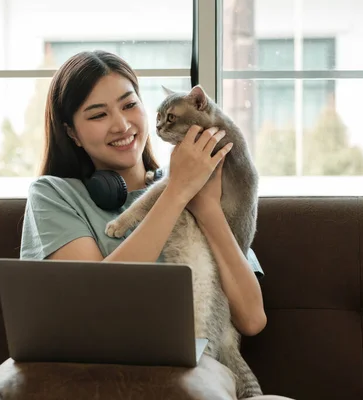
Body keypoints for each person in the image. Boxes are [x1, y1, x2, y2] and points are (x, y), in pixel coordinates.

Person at [17, 50, 288, 399]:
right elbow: (96, 302)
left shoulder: (205, 183)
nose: (122, 125)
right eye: (98, 114)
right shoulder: (55, 195)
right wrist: (175, 192)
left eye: (130, 105)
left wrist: (205, 207)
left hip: (198, 379)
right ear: (72, 133)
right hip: (104, 380)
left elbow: (251, 319)